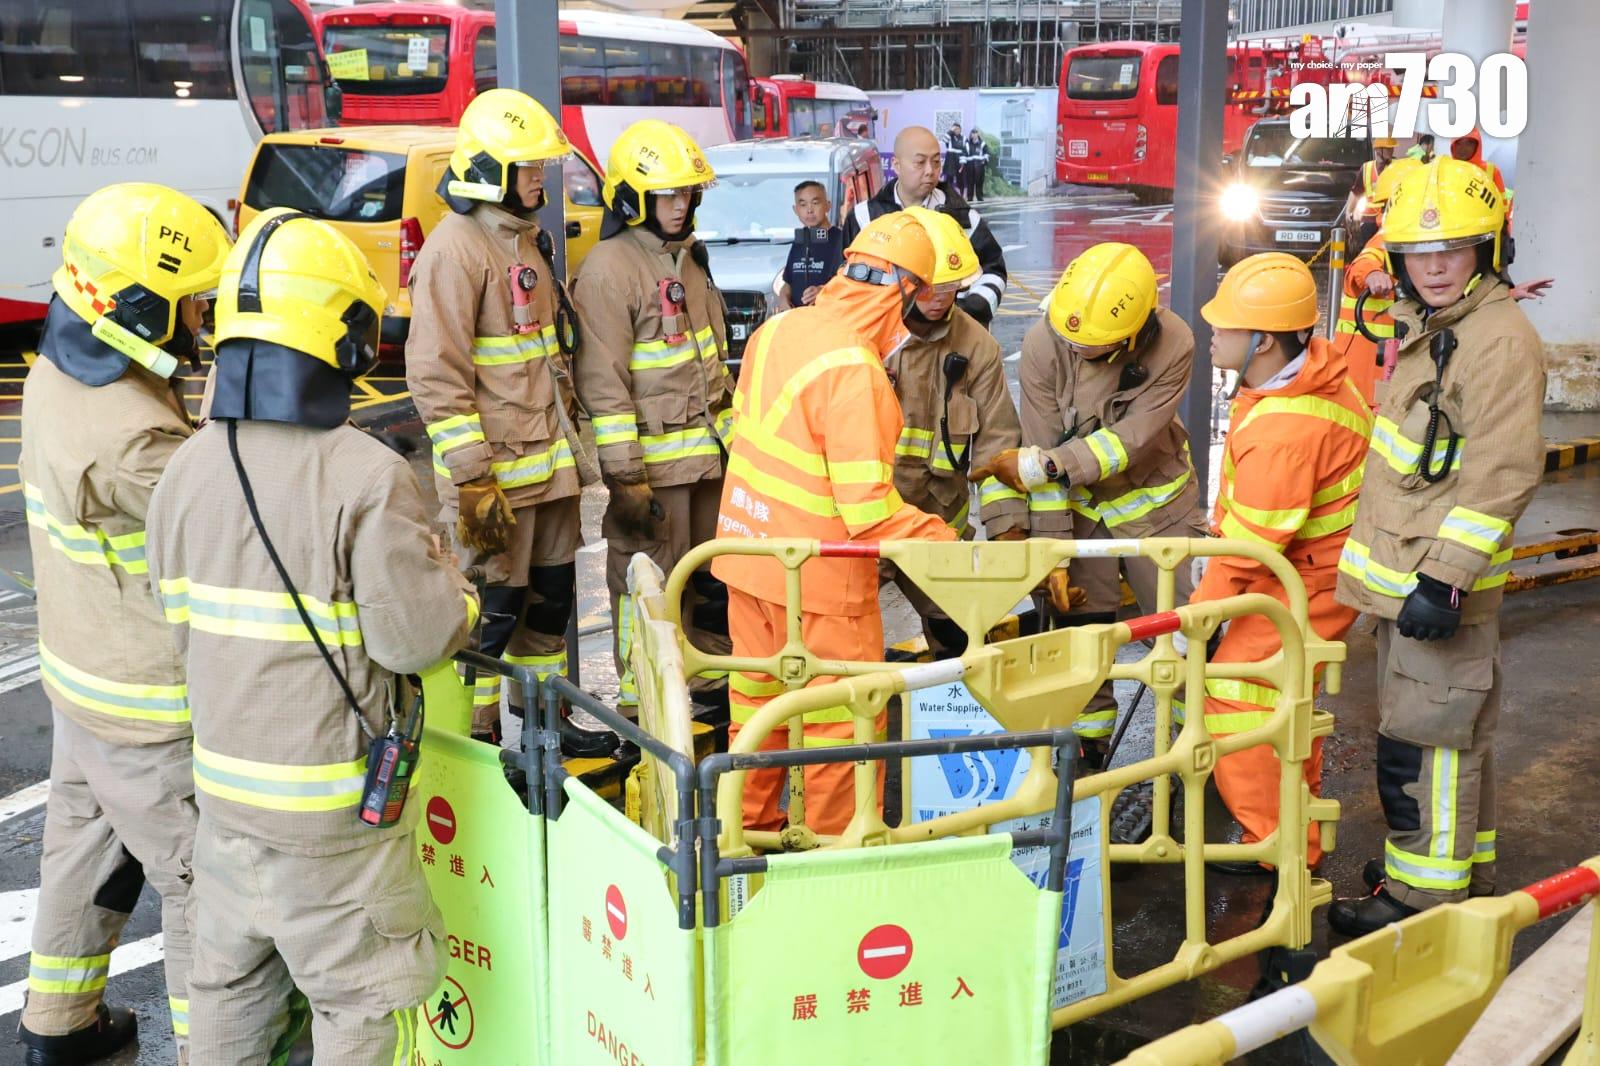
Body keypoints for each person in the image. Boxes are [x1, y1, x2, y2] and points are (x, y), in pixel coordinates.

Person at [145, 209, 478, 1062]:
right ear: (346, 336)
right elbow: (414, 641)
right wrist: (464, 599)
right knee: (359, 1013)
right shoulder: (365, 475)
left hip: (224, 803)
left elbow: (175, 626)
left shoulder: (184, 468)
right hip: (335, 826)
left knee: (228, 1001)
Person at [16, 183, 229, 1066]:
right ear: (140, 305)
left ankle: (58, 1032)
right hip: (148, 703)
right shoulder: (135, 437)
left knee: (83, 855)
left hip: (80, 680)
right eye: (190, 301)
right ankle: (214, 1048)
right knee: (201, 886)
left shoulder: (56, 372)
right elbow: (223, 517)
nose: (203, 314)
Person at [1328, 158, 1545, 935]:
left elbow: (1502, 473)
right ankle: (1465, 874)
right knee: (1451, 739)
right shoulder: (1438, 328)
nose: (1437, 265)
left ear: (1488, 250)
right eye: (1421, 253)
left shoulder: (1495, 341)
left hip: (1434, 586)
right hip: (1407, 583)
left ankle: (1421, 902)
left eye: (1455, 248)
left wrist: (1446, 580)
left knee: (1426, 748)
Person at [713, 213, 961, 834]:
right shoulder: (856, 370)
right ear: (900, 292)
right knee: (839, 727)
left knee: (756, 715)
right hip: (821, 585)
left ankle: (742, 849)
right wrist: (949, 545)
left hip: (748, 560)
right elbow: (870, 515)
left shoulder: (780, 329)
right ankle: (834, 866)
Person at [406, 88, 614, 757]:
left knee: (548, 609)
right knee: (487, 619)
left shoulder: (523, 245)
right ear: (490, 169)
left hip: (548, 475)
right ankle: (474, 741)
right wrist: (470, 480)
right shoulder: (454, 251)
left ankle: (544, 732)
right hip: (493, 483)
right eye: (528, 167)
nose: (540, 178)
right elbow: (437, 372)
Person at [968, 242, 1205, 768]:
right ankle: (1087, 747)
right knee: (1083, 631)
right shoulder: (1043, 344)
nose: (1077, 352)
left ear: (1135, 333)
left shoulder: (1174, 344)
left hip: (1157, 513)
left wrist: (1046, 467)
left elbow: (1130, 441)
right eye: (1070, 340)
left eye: (1092, 346)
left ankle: (1198, 749)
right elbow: (1044, 447)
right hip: (1082, 515)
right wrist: (1052, 556)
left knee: (1184, 634)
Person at [1193, 253, 1372, 877]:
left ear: (1264, 340)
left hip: (1305, 579)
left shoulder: (1288, 427)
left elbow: (1249, 546)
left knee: (1236, 690)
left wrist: (1193, 620)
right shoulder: (1307, 378)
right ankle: (1294, 833)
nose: (1211, 331)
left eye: (1227, 326)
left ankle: (1275, 842)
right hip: (1313, 568)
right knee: (1287, 699)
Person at [573, 119, 735, 710]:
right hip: (653, 473)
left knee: (710, 580)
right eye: (666, 193)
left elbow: (714, 369)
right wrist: (626, 479)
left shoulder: (690, 260)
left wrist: (738, 455)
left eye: (686, 192)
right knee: (645, 586)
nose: (679, 204)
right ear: (631, 196)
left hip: (708, 465)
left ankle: (710, 676)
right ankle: (640, 689)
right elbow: (603, 386)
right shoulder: (607, 271)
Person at [881, 206, 1028, 657]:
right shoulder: (867, 337)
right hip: (867, 524)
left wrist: (1010, 540)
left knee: (957, 640)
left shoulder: (976, 347)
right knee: (844, 639)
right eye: (927, 283)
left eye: (949, 284)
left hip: (938, 529)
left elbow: (998, 448)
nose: (940, 296)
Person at [844, 125, 1008, 327]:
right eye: (920, 162)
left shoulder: (963, 217)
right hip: (884, 337)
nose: (930, 171)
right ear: (896, 165)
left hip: (951, 337)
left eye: (937, 162)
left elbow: (994, 269)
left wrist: (972, 310)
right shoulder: (864, 218)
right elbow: (846, 278)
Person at [1332, 156, 1420, 407]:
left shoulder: (1412, 242)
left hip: (1380, 370)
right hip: (1364, 374)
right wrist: (1373, 275)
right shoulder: (1388, 239)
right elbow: (1362, 265)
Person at [778, 180, 845, 310]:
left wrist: (823, 290)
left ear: (828, 205)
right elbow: (788, 283)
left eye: (815, 203)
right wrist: (783, 300)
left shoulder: (841, 239)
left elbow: (850, 283)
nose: (809, 210)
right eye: (803, 205)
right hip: (798, 321)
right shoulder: (800, 240)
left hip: (829, 319)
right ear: (795, 210)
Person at [963, 129, 991, 202]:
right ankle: (970, 198)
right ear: (971, 135)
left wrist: (984, 161)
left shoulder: (982, 144)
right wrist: (963, 164)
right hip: (970, 166)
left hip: (979, 166)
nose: (974, 135)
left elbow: (987, 153)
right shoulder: (967, 144)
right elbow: (964, 154)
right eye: (973, 133)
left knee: (979, 182)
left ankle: (980, 197)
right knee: (970, 182)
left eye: (975, 133)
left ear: (978, 134)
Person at [942, 122, 964, 189]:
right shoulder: (949, 136)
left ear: (960, 129)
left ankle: (960, 195)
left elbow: (965, 151)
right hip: (950, 159)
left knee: (960, 178)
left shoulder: (964, 138)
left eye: (958, 129)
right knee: (949, 178)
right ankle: (947, 194)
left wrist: (962, 162)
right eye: (955, 129)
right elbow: (944, 140)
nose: (956, 130)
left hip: (959, 159)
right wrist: (950, 131)